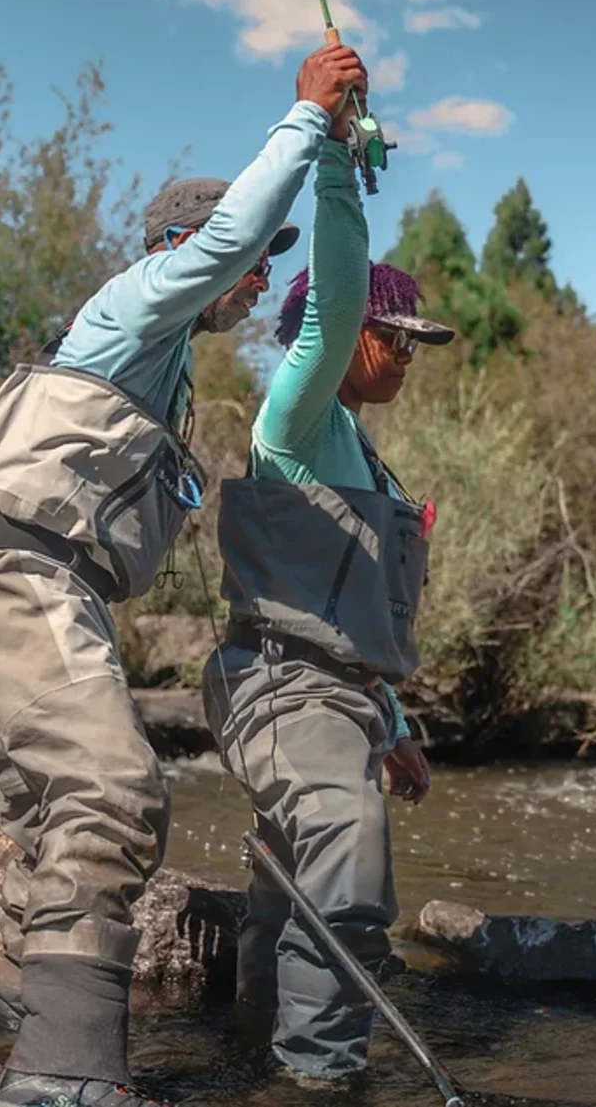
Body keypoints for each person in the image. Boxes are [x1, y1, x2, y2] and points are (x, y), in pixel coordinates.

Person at [0, 43, 369, 1107]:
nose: (260, 277)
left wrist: (344, 165)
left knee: (54, 823)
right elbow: (225, 240)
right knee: (111, 790)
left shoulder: (155, 360)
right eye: (258, 258)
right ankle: (61, 1079)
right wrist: (307, 120)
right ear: (186, 245)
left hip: (26, 580)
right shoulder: (133, 303)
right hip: (19, 571)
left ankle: (27, 1046)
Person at [201, 122, 455, 1089]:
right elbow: (336, 291)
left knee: (288, 889)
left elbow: (347, 618)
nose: (408, 357)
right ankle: (320, 1081)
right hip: (279, 687)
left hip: (331, 697)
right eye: (399, 339)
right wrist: (340, 160)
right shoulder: (297, 414)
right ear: (351, 335)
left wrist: (389, 720)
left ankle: (250, 1062)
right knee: (347, 862)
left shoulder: (357, 448)